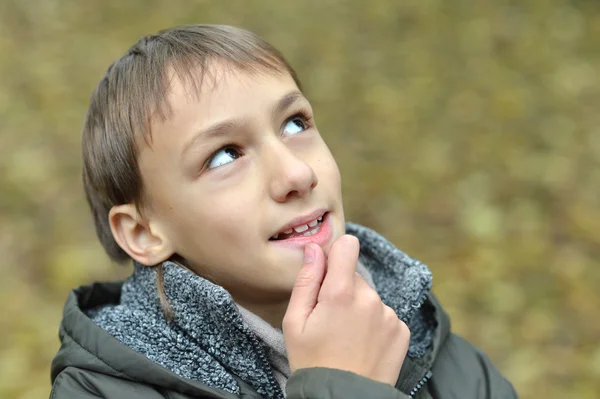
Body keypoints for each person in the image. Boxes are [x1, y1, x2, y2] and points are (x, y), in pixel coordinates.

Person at [50, 24, 518, 399]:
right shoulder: (100, 389)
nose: (296, 173)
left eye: (295, 124)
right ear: (143, 233)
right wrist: (345, 387)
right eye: (225, 155)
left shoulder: (437, 351)